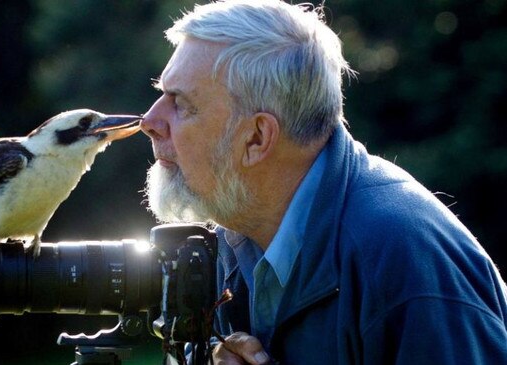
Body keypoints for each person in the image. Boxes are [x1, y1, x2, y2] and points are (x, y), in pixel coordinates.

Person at [139, 0, 507, 364]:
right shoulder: (232, 235)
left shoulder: (406, 263)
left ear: (256, 139)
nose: (149, 121)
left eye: (181, 103)